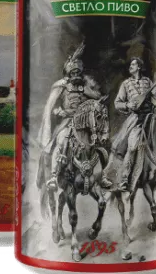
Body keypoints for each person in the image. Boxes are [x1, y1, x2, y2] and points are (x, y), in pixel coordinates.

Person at [36, 44, 107, 190]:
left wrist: (96, 98)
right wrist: (58, 111)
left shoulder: (84, 87)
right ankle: (54, 176)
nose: (75, 75)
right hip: (66, 122)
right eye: (73, 73)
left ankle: (101, 176)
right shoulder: (62, 88)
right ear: (68, 74)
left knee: (97, 141)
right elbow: (52, 106)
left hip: (83, 122)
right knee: (62, 141)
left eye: (77, 72)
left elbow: (97, 97)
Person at [102, 57, 156, 191]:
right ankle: (124, 179)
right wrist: (128, 105)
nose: (130, 67)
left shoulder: (147, 81)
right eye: (130, 65)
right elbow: (117, 103)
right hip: (137, 119)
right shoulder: (126, 84)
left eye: (133, 64)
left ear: (139, 67)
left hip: (150, 116)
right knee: (132, 147)